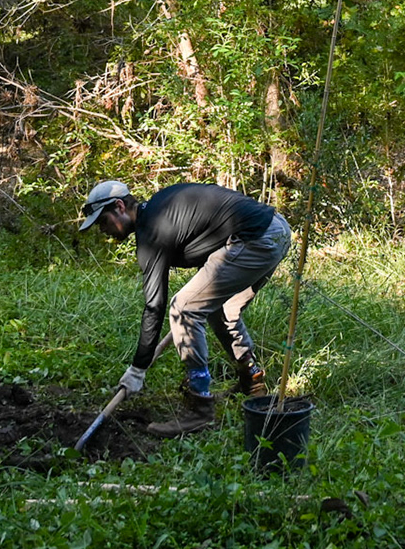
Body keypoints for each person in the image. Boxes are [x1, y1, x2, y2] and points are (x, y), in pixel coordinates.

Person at [80, 179, 292, 437]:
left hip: (255, 238)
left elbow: (154, 305)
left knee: (184, 309)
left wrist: (138, 368)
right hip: (276, 227)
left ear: (119, 206)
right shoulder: (163, 207)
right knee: (217, 306)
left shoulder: (152, 230)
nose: (103, 231)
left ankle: (199, 407)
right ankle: (252, 379)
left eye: (103, 222)